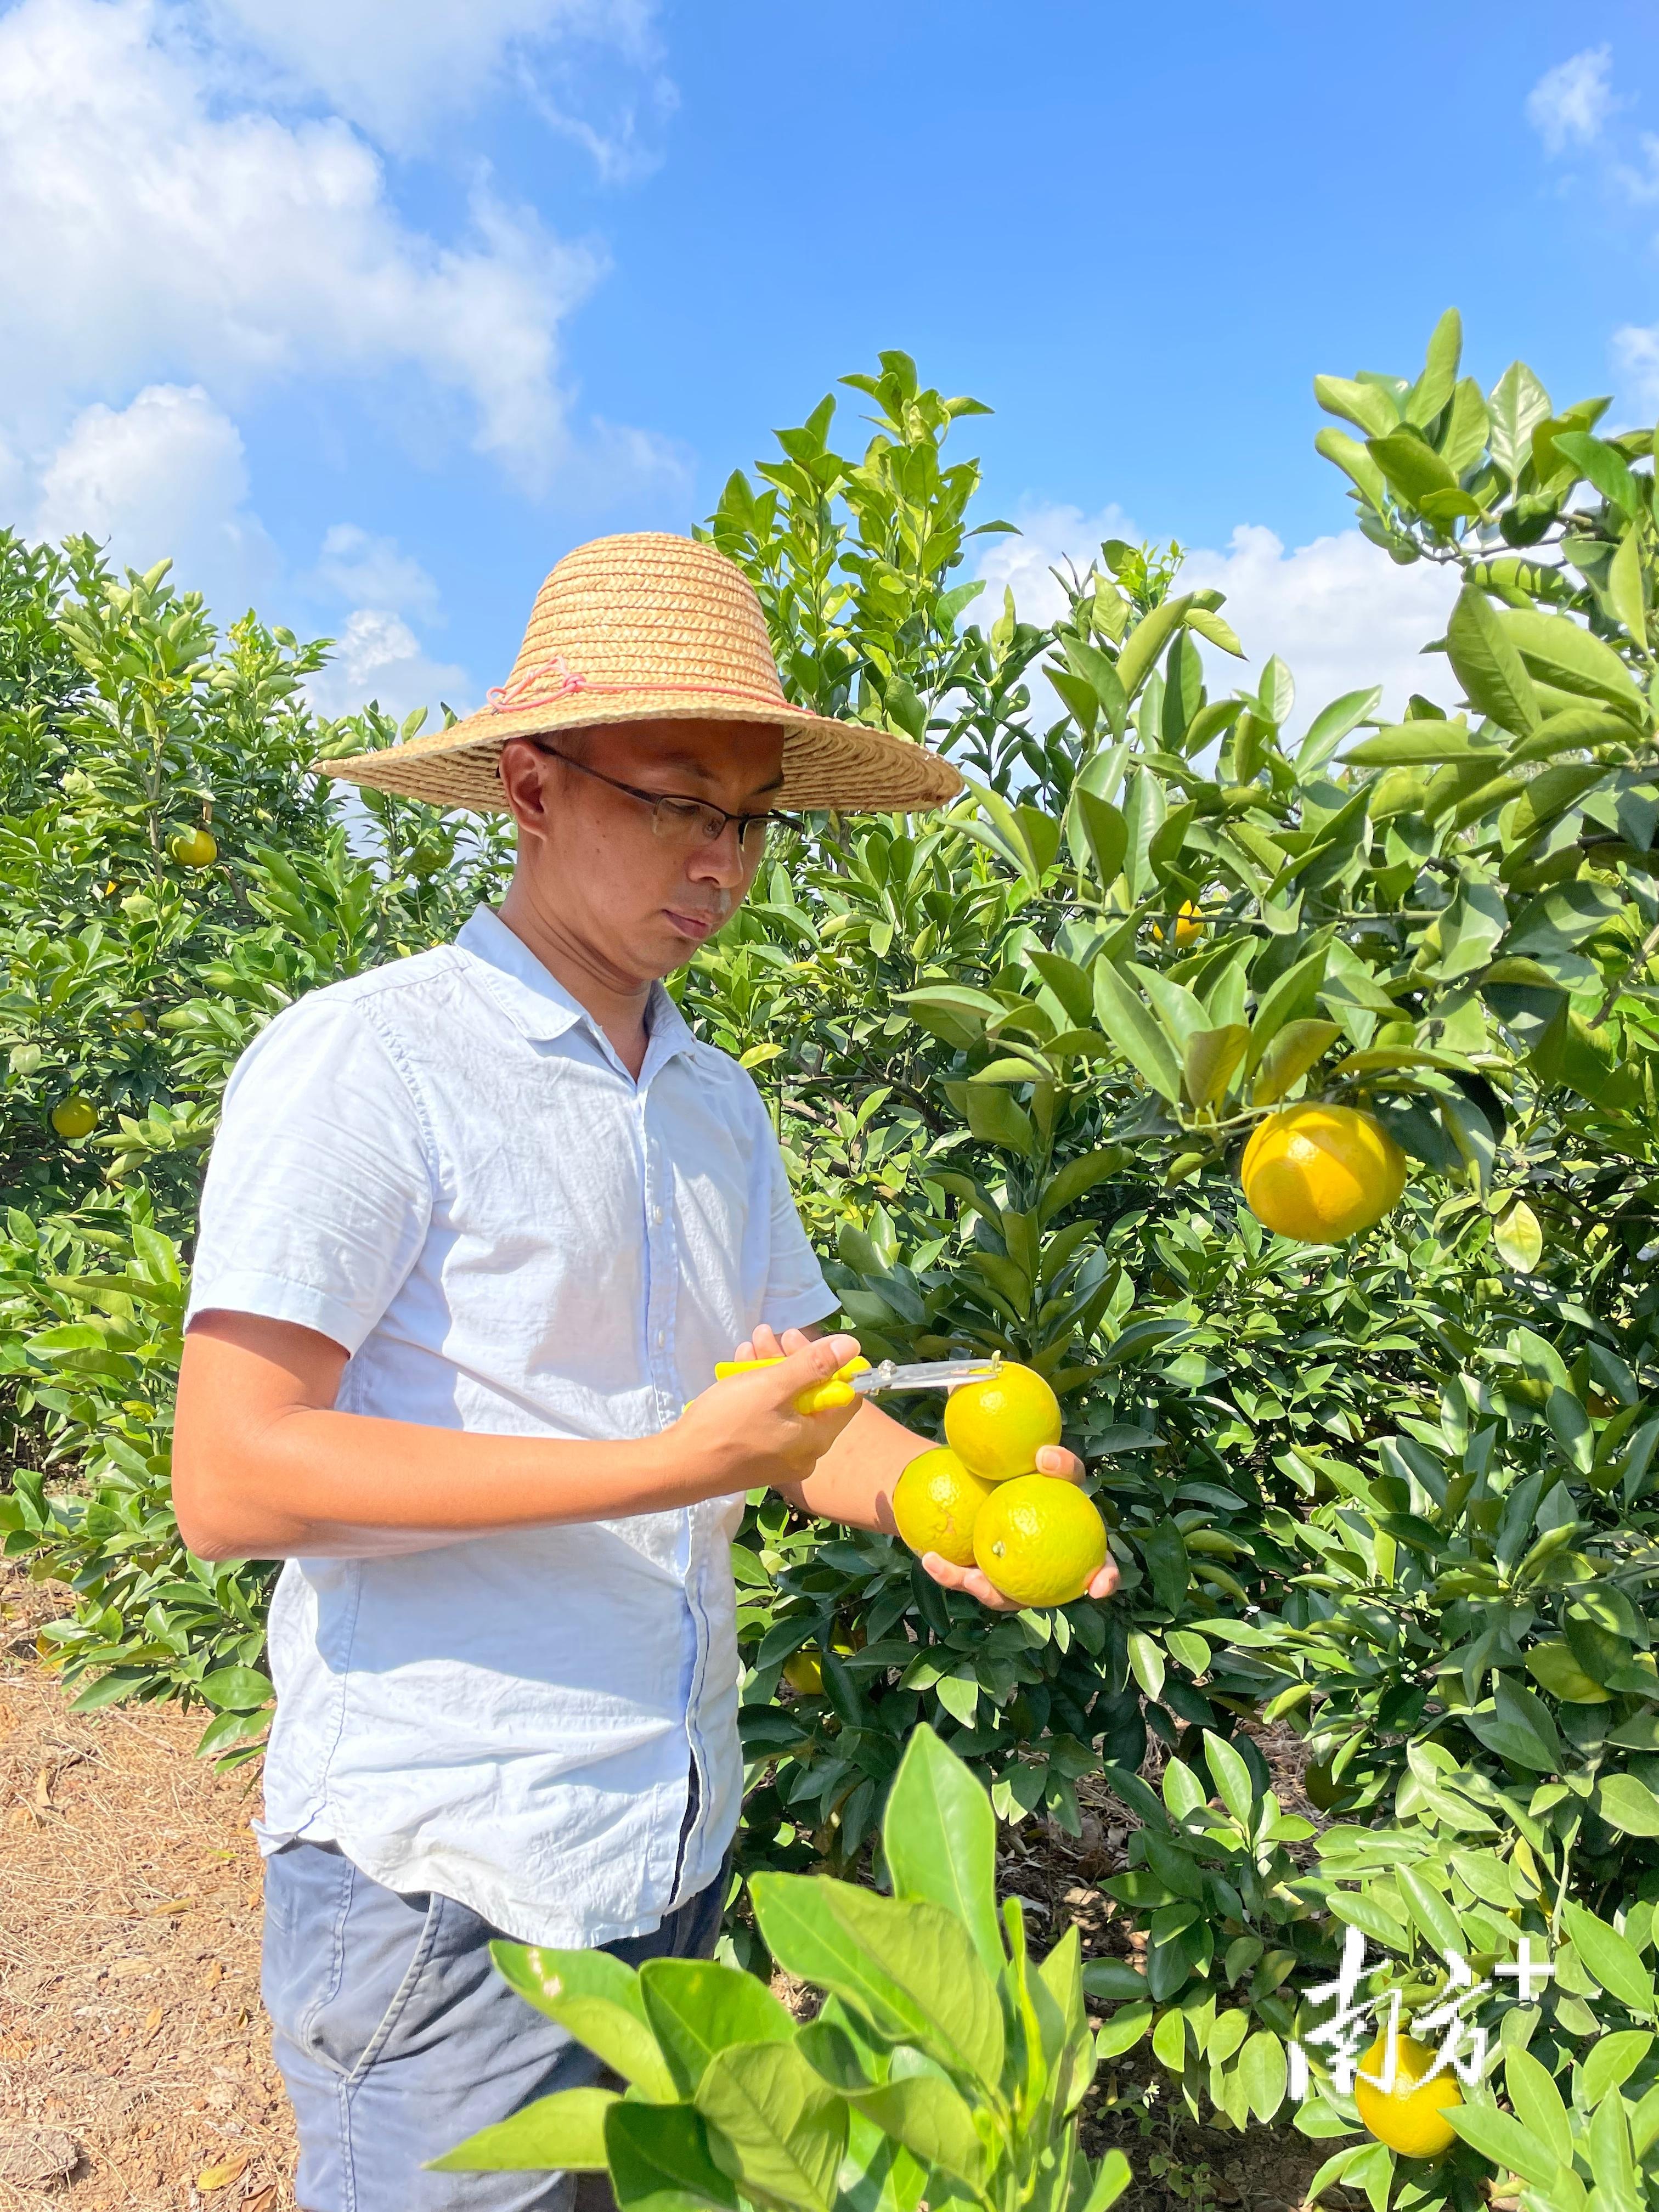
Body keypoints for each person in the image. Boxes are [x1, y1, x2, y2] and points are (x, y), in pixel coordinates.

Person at [172, 532, 1119, 2212]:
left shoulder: (712, 1101)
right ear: (532, 789)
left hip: (667, 1850)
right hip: (446, 1885)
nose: (727, 862)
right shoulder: (368, 1063)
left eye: (752, 818)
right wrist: (675, 1463)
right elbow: (237, 1479)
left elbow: (795, 1419)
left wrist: (933, 1496)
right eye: (681, 802)